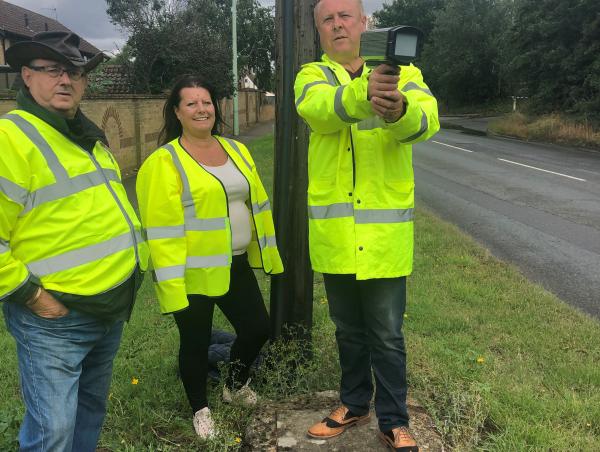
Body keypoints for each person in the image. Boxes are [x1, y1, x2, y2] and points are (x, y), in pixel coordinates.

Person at [294, 0, 440, 450]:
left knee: (387, 335)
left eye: (345, 16)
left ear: (365, 23)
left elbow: (428, 121)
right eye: (327, 19)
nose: (337, 25)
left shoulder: (405, 74)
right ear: (319, 31)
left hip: (383, 238)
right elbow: (318, 110)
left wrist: (397, 111)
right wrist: (364, 93)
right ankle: (354, 404)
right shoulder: (311, 76)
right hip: (337, 238)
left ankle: (394, 420)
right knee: (348, 331)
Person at [0, 31, 149, 451]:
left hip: (105, 309)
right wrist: (32, 296)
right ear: (27, 77)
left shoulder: (82, 134)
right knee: (53, 433)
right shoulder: (11, 137)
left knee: (89, 412)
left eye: (75, 72)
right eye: (53, 70)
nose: (66, 80)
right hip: (55, 318)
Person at [135, 75, 283, 439]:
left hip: (233, 263)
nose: (202, 109)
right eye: (191, 103)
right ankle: (200, 409)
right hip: (192, 270)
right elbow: (161, 230)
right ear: (177, 112)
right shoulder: (164, 162)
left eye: (207, 102)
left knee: (258, 329)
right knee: (196, 342)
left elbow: (254, 202)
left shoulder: (236, 149)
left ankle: (234, 386)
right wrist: (171, 285)